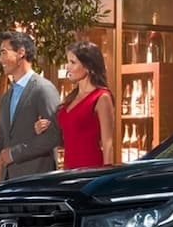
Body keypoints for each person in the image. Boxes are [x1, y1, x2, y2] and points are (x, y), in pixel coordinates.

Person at [0, 31, 63, 179]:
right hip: (9, 180)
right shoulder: (6, 97)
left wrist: (14, 154)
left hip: (36, 180)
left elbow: (53, 136)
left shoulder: (43, 89)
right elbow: (3, 142)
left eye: (4, 53)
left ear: (21, 53)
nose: (0, 59)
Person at [34, 40, 116, 169]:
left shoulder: (102, 97)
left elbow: (108, 143)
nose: (67, 67)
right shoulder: (70, 99)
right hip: (69, 170)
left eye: (73, 62)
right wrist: (42, 129)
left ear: (88, 67)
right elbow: (67, 136)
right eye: (68, 62)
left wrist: (105, 177)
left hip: (91, 170)